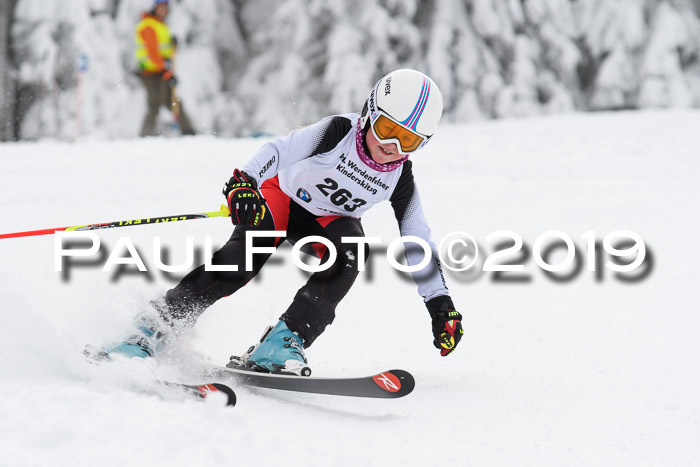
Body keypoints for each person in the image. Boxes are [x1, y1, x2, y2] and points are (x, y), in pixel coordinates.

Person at [102, 69, 463, 375]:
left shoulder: (400, 177)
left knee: (352, 253)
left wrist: (439, 303)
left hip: (326, 221)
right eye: (387, 129)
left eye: (409, 140)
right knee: (244, 259)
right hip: (281, 198)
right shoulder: (338, 132)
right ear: (370, 111)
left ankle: (280, 343)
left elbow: (417, 239)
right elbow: (279, 151)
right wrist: (244, 183)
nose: (393, 147)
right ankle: (153, 327)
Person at [135, 0, 196, 136]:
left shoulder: (160, 25)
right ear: (154, 8)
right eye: (160, 7)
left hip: (161, 71)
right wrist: (166, 68)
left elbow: (164, 51)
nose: (163, 10)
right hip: (151, 72)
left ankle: (188, 131)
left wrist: (172, 44)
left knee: (167, 102)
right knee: (156, 103)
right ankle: (146, 134)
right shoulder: (149, 25)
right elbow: (152, 52)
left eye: (165, 7)